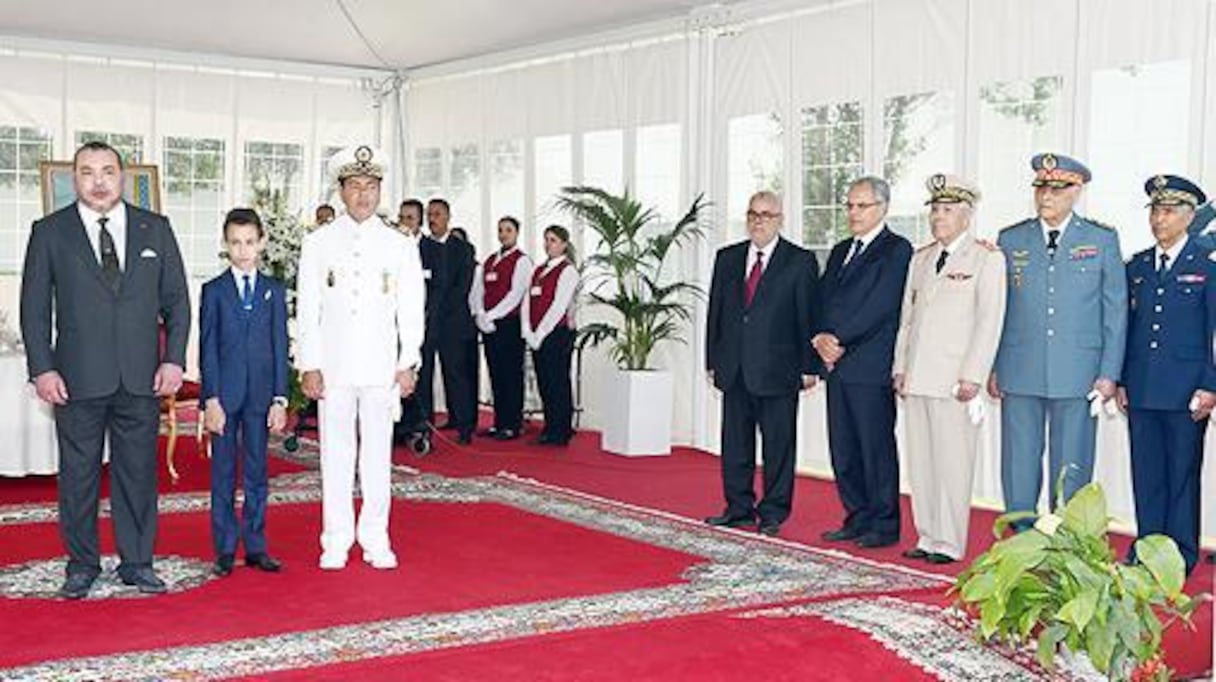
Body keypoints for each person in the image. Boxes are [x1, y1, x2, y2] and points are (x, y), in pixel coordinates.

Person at [20, 141, 190, 598]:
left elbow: (177, 301)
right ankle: (81, 564)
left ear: (123, 176)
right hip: (75, 380)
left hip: (141, 378)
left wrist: (173, 359)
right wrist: (42, 369)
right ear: (74, 178)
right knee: (78, 475)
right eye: (88, 172)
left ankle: (138, 562)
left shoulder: (155, 228)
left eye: (108, 171)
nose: (98, 181)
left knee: (138, 473)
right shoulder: (50, 231)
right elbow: (34, 309)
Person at [296, 145, 425, 570]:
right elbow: (308, 307)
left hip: (379, 365)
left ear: (380, 190)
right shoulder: (318, 243)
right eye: (355, 186)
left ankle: (375, 536)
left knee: (376, 456)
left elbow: (410, 306)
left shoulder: (399, 243)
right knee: (335, 453)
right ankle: (335, 537)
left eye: (371, 186)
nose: (364, 195)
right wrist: (308, 362)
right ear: (341, 190)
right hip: (333, 366)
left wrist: (408, 361)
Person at [989, 153, 1127, 527]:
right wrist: (995, 365)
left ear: (1076, 190)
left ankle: (1067, 542)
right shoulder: (1011, 238)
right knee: (1019, 460)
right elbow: (998, 309)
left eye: (1056, 188)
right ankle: (1021, 537)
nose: (1045, 196)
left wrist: (1109, 373)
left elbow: (1115, 312)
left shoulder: (1101, 239)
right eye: (1040, 187)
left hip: (1080, 370)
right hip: (1020, 365)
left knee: (1072, 462)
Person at [892, 175, 1006, 564]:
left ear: (966, 216)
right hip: (919, 376)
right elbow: (908, 319)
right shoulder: (920, 259)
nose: (937, 218)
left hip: (954, 379)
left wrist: (973, 374)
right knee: (922, 461)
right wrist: (900, 366)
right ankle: (927, 535)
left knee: (953, 463)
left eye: (947, 211)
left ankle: (949, 542)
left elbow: (988, 320)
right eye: (935, 210)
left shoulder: (986, 258)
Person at [704, 191, 821, 537]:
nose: (758, 220)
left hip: (779, 371)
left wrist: (809, 366)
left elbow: (808, 317)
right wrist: (712, 359)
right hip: (734, 368)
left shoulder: (799, 261)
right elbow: (716, 314)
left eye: (767, 214)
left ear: (780, 219)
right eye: (753, 213)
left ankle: (772, 513)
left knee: (778, 447)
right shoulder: (727, 258)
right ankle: (738, 508)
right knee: (735, 445)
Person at [1118, 175, 1215, 575]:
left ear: (1190, 217)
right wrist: (1122, 379)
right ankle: (1148, 547)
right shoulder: (1138, 265)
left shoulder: (1207, 268)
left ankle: (1179, 555)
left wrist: (1211, 385)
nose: (1159, 219)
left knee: (1182, 475)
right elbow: (1127, 327)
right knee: (1147, 473)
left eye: (1169, 211)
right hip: (1141, 387)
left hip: (1186, 392)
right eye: (1155, 210)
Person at [815, 176, 913, 549]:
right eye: (850, 206)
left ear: (883, 208)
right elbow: (822, 298)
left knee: (875, 448)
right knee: (844, 447)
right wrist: (820, 336)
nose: (853, 213)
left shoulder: (897, 249)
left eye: (862, 206)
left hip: (869, 364)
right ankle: (856, 516)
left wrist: (840, 339)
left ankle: (884, 524)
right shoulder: (841, 250)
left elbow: (882, 304)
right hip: (836, 365)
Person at [199, 208, 289, 577]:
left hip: (260, 397)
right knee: (223, 472)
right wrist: (211, 399)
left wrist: (280, 398)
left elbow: (280, 345)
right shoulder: (214, 291)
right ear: (225, 244)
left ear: (261, 243)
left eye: (249, 242)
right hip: (225, 396)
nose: (242, 250)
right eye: (235, 242)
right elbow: (207, 348)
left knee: (256, 471)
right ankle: (223, 547)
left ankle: (255, 545)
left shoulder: (273, 290)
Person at [414, 199, 479, 444]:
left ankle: (464, 425)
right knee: (424, 375)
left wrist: (437, 310)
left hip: (453, 323)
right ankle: (423, 424)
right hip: (427, 323)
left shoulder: (463, 249)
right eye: (429, 215)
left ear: (448, 216)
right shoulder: (421, 248)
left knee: (456, 375)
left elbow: (461, 287)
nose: (433, 219)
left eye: (437, 214)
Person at [470, 217, 533, 440]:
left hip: (509, 324)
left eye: (508, 230)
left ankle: (512, 424)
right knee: (496, 373)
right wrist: (479, 314)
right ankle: (499, 422)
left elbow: (516, 294)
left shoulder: (522, 261)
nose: (503, 234)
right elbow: (477, 291)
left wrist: (492, 315)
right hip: (489, 326)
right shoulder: (489, 261)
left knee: (511, 374)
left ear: (517, 233)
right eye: (500, 230)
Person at [522, 225, 580, 446]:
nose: (548, 244)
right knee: (544, 382)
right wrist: (528, 330)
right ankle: (550, 426)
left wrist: (541, 333)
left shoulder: (568, 271)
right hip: (537, 334)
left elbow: (558, 306)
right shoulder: (538, 270)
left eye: (553, 240)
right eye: (546, 239)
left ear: (564, 244)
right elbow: (527, 301)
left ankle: (561, 430)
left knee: (557, 382)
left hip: (556, 334)